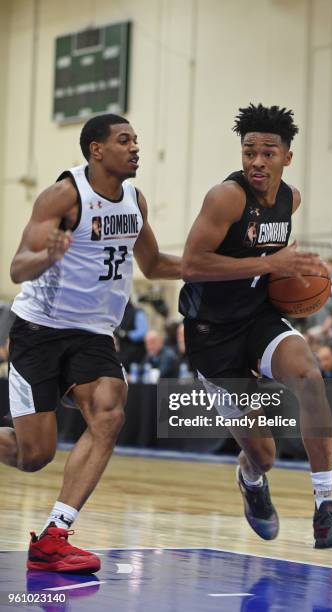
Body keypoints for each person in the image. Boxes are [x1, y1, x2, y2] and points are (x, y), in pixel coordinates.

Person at [0, 113, 180, 572]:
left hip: (93, 333)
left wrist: (229, 268)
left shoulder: (135, 200)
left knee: (110, 409)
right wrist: (48, 254)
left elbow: (155, 264)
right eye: (124, 140)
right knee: (33, 455)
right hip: (40, 329)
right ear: (96, 150)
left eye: (136, 140)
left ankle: (55, 536)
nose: (135, 147)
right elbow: (18, 268)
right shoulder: (65, 195)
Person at [179, 103, 332, 548]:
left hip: (258, 317)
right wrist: (269, 261)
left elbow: (274, 267)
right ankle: (251, 479)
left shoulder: (290, 199)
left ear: (287, 157)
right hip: (212, 333)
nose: (257, 162)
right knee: (263, 455)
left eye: (268, 152)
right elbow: (190, 264)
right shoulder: (226, 197)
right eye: (249, 152)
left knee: (309, 374)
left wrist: (300, 279)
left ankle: (326, 511)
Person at [116, 298, 148, 370]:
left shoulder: (137, 312)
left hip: (136, 355)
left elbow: (143, 332)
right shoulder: (119, 314)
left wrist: (126, 334)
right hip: (123, 353)